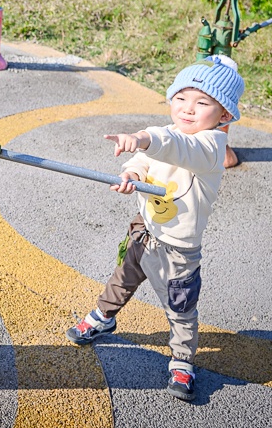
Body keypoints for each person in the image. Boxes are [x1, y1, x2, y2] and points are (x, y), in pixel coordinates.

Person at [65, 56, 245, 402]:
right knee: (123, 277)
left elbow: (176, 147)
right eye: (181, 98)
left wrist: (144, 137)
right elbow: (144, 160)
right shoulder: (168, 134)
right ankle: (103, 316)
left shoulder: (210, 146)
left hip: (179, 248)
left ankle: (182, 360)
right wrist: (132, 174)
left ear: (224, 115)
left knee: (180, 305)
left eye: (202, 102)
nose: (188, 109)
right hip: (144, 228)